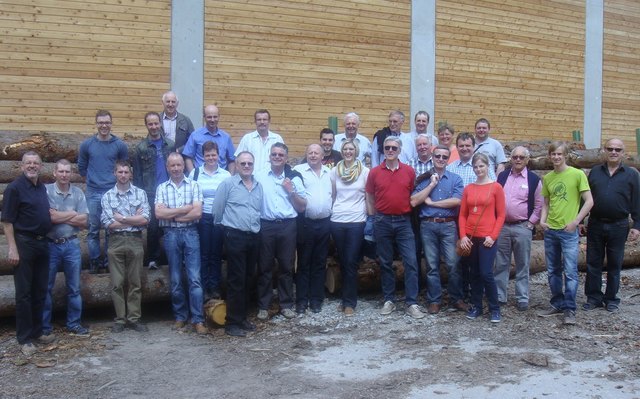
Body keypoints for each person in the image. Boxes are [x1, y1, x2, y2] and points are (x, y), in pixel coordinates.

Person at [1, 151, 55, 356]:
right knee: (23, 293)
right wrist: (12, 248)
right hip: (24, 244)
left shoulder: (41, 187)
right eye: (28, 163)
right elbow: (7, 222)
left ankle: (38, 331)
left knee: (40, 290)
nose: (32, 166)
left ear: (41, 166)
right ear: (22, 166)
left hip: (42, 244)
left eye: (36, 163)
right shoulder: (14, 188)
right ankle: (24, 338)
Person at [365, 136, 424, 319]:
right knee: (385, 262)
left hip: (403, 222)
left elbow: (413, 196)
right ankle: (389, 300)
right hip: (382, 221)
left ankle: (412, 302)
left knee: (411, 262)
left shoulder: (409, 171)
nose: (390, 150)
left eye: (394, 148)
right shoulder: (374, 172)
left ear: (399, 151)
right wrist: (374, 216)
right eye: (387, 148)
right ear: (383, 150)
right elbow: (369, 195)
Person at [538, 142, 593, 325]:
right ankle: (557, 303)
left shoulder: (577, 174)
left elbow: (589, 201)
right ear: (549, 156)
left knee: (570, 272)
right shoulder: (548, 178)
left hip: (568, 231)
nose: (556, 157)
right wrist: (542, 220)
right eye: (553, 154)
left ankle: (570, 309)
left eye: (559, 154)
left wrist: (576, 222)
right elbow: (546, 203)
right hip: (551, 230)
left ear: (566, 155)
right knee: (553, 270)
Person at [583, 139, 640, 313]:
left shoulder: (632, 174)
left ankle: (611, 299)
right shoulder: (594, 172)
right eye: (610, 149)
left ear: (623, 153)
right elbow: (585, 198)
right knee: (593, 263)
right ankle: (593, 298)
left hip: (619, 225)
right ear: (604, 151)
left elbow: (637, 201)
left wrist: (637, 225)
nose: (614, 152)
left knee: (615, 264)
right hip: (595, 224)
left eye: (618, 149)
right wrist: (579, 220)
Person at [155, 153, 207, 334]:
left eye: (178, 165)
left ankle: (198, 319)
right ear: (167, 168)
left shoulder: (194, 186)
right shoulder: (161, 188)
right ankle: (180, 317)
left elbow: (197, 213)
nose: (176, 168)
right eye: (172, 166)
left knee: (194, 278)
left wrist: (172, 213)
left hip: (191, 233)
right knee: (176, 278)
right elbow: (159, 215)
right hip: (170, 235)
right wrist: (184, 209)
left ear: (183, 166)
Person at [213, 152, 263, 337]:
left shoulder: (258, 186)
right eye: (243, 163)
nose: (247, 166)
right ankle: (231, 323)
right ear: (237, 164)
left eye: (250, 163)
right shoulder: (228, 184)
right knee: (236, 280)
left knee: (248, 278)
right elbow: (217, 210)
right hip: (235, 236)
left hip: (254, 236)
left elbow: (260, 209)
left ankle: (242, 318)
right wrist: (226, 231)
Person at [410, 145, 465, 314]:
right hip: (428, 225)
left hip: (449, 225)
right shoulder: (423, 179)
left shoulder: (456, 179)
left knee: (453, 263)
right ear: (432, 157)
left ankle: (457, 298)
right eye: (438, 156)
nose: (441, 159)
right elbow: (414, 201)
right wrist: (431, 185)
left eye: (444, 157)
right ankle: (434, 300)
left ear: (448, 159)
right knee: (432, 265)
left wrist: (432, 203)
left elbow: (457, 201)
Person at [255, 143, 307, 320]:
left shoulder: (294, 178)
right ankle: (263, 306)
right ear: (269, 156)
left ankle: (286, 305)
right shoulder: (259, 176)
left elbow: (302, 207)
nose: (277, 157)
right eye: (274, 154)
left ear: (286, 158)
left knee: (286, 266)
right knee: (264, 267)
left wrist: (291, 192)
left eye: (281, 155)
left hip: (287, 225)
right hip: (266, 225)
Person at [101, 160, 150, 333]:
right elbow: (108, 224)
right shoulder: (107, 196)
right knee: (117, 282)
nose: (123, 175)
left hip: (135, 240)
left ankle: (134, 318)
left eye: (126, 172)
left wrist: (121, 218)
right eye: (120, 172)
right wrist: (132, 219)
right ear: (115, 173)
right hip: (115, 241)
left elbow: (145, 220)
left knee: (135, 282)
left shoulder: (140, 194)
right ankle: (120, 319)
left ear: (131, 174)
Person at [43, 159, 90, 337]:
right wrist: (72, 215)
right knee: (46, 287)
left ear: (71, 174)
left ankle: (74, 324)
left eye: (67, 172)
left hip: (71, 243)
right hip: (50, 244)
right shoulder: (46, 191)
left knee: (74, 287)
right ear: (54, 172)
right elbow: (49, 218)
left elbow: (84, 221)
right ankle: (45, 327)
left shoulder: (78, 193)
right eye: (61, 171)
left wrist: (60, 216)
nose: (64, 175)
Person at [78, 110, 129, 274]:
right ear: (96, 124)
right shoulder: (87, 145)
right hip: (93, 192)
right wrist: (94, 179)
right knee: (93, 229)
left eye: (107, 122)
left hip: (112, 192)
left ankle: (108, 262)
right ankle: (94, 262)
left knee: (110, 229)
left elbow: (124, 166)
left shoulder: (119, 145)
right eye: (101, 122)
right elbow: (82, 167)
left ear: (111, 123)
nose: (104, 126)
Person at [458, 153, 506, 323]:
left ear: (488, 167)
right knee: (474, 274)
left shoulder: (496, 188)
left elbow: (501, 215)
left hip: (487, 239)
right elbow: (462, 215)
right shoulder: (469, 188)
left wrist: (493, 236)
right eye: (476, 166)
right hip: (471, 238)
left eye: (481, 166)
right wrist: (463, 236)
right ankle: (477, 306)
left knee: (486, 273)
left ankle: (494, 308)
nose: (479, 169)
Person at [494, 146, 543, 311]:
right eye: (515, 157)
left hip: (522, 227)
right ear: (511, 159)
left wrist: (531, 223)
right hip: (502, 227)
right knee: (501, 263)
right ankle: (500, 296)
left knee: (522, 264)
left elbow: (539, 204)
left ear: (527, 160)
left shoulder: (534, 179)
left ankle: (522, 297)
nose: (518, 160)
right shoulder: (502, 176)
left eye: (522, 157)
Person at [330, 140, 370, 316]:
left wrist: (370, 217)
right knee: (342, 260)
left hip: (357, 220)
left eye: (351, 149)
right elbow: (333, 195)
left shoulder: (365, 171)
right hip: (337, 220)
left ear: (356, 151)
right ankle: (344, 298)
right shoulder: (334, 171)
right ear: (342, 151)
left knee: (351, 261)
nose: (348, 152)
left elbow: (368, 196)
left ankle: (349, 303)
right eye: (345, 149)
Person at [188, 141, 231, 301]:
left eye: (214, 154)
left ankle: (215, 287)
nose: (211, 158)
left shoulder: (226, 175)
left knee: (216, 254)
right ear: (203, 156)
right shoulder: (196, 174)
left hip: (220, 218)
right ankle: (204, 288)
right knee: (204, 254)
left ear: (218, 155)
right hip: (202, 218)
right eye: (208, 155)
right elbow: (190, 196)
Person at [133, 111, 175, 269]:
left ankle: (173, 257)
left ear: (160, 124)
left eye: (156, 123)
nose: (154, 126)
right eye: (150, 124)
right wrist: (139, 197)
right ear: (146, 126)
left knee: (173, 224)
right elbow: (137, 175)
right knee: (153, 227)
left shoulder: (170, 145)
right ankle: (153, 258)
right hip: (150, 192)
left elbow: (177, 166)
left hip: (170, 189)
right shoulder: (141, 148)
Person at [294, 144, 332, 314]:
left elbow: (334, 194)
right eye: (310, 153)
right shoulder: (298, 171)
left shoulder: (329, 173)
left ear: (322, 156)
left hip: (325, 223)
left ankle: (316, 299)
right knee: (304, 263)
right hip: (306, 223)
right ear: (306, 155)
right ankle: (302, 300)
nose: (313, 155)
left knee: (319, 263)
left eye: (317, 153)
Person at [447, 132, 478, 299]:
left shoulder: (480, 166)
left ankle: (476, 292)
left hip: (476, 219)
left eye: (468, 146)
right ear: (456, 147)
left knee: (475, 257)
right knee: (459, 257)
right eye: (461, 146)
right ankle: (462, 293)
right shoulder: (451, 168)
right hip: (456, 219)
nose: (464, 149)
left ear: (473, 147)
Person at [182, 105, 236, 174]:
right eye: (209, 117)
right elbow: (188, 157)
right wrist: (193, 176)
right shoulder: (195, 135)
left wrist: (229, 178)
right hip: (201, 178)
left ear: (219, 117)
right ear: (204, 117)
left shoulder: (226, 137)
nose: (212, 120)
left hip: (221, 178)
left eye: (215, 117)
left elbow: (232, 160)